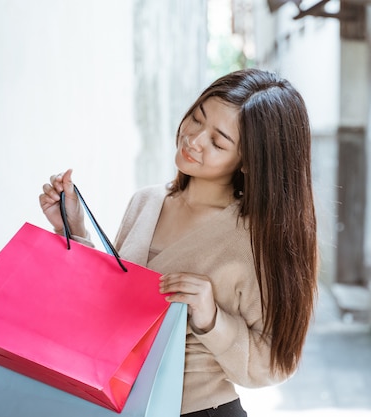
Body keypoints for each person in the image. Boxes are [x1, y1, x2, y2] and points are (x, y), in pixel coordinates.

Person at [38, 68, 319, 416]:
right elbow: (106, 307)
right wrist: (73, 227)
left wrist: (211, 318)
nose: (194, 139)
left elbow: (274, 363)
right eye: (197, 118)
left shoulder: (252, 243)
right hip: (114, 404)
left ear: (248, 162)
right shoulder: (146, 201)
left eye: (218, 142)